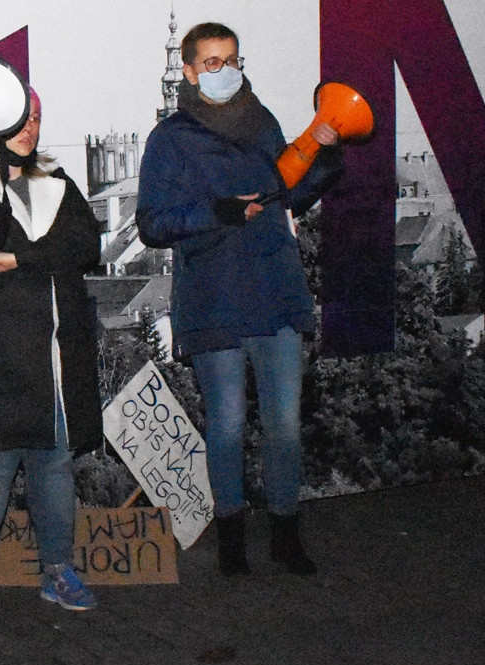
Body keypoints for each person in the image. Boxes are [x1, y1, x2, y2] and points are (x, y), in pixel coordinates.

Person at [136, 22, 344, 576]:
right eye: (210, 62)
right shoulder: (170, 138)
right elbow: (152, 224)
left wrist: (323, 156)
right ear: (188, 70)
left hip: (275, 290)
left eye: (231, 59)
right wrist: (218, 212)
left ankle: (284, 533)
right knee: (226, 425)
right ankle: (232, 536)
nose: (224, 71)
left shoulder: (264, 121)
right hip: (214, 298)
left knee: (284, 424)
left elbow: (290, 190)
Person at [0, 87, 102, 616]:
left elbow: (86, 246)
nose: (31, 128)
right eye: (21, 119)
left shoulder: (57, 181)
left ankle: (58, 571)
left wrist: (23, 257)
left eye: (37, 119)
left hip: (51, 353)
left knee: (53, 466)